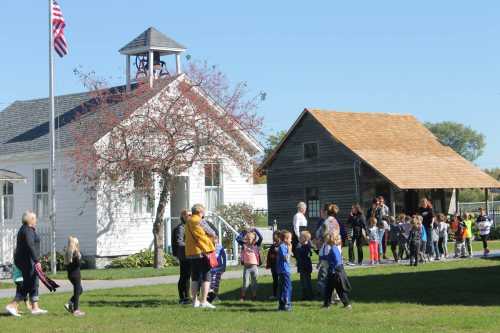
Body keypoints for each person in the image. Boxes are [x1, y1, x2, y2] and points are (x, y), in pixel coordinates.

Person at [5, 211, 47, 317]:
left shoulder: (26, 229)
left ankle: (35, 307)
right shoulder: (27, 230)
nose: (36, 220)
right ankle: (13, 305)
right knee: (28, 283)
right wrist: (37, 261)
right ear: (31, 220)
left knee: (34, 283)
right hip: (28, 261)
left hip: (27, 260)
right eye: (35, 218)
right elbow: (30, 245)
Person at [185, 203, 216, 309]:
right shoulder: (200, 220)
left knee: (194, 277)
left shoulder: (188, 221)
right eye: (203, 212)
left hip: (192, 252)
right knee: (206, 277)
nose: (204, 215)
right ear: (200, 212)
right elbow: (212, 232)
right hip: (203, 251)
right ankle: (203, 301)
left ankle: (194, 301)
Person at [323, 232, 352, 309]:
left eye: (326, 239)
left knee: (329, 289)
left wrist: (333, 269)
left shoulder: (333, 249)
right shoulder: (334, 248)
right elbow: (332, 258)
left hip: (334, 272)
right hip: (337, 272)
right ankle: (347, 304)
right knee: (338, 289)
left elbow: (336, 260)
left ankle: (327, 305)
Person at [172, 209, 191, 305]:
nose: (190, 217)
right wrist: (190, 245)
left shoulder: (189, 226)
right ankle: (182, 297)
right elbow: (179, 242)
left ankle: (187, 297)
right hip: (184, 255)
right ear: (183, 216)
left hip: (189, 254)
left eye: (190, 215)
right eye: (188, 215)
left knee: (188, 276)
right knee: (184, 276)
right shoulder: (181, 228)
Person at [63, 236, 85, 316]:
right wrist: (79, 257)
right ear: (75, 244)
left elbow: (67, 264)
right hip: (76, 275)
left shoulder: (68, 252)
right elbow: (78, 264)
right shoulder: (75, 253)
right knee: (77, 292)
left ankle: (70, 303)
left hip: (70, 274)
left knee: (80, 290)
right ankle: (76, 310)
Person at [238, 230, 262, 301]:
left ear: (253, 239)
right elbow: (238, 239)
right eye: (247, 238)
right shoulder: (244, 245)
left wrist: (255, 230)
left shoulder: (256, 245)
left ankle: (254, 296)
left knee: (254, 283)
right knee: (245, 283)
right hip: (246, 268)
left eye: (250, 238)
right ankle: (243, 296)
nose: (248, 240)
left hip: (254, 267)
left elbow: (261, 238)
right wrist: (244, 232)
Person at [277, 230, 293, 311]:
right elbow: (286, 258)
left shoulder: (284, 246)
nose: (291, 240)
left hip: (284, 270)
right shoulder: (282, 246)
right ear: (286, 239)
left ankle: (281, 305)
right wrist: (290, 250)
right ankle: (286, 304)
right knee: (287, 287)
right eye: (290, 238)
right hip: (284, 270)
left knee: (283, 287)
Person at [207, 236, 226, 303]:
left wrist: (224, 267)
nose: (214, 243)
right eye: (213, 242)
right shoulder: (208, 247)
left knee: (216, 284)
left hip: (218, 269)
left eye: (216, 241)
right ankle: (210, 297)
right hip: (210, 270)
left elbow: (224, 256)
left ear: (217, 240)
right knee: (211, 284)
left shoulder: (220, 247)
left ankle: (216, 296)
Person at [296, 231, 313, 300]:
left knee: (306, 282)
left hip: (305, 267)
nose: (299, 238)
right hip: (302, 266)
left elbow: (305, 255)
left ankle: (309, 295)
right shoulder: (302, 246)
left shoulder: (306, 247)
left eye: (301, 237)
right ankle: (304, 296)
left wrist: (298, 248)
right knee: (303, 282)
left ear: (305, 238)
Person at [266, 230, 281, 300]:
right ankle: (275, 295)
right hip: (274, 266)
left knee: (281, 280)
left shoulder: (282, 245)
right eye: (273, 235)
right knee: (275, 280)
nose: (273, 237)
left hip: (280, 266)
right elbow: (269, 256)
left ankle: (282, 294)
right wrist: (268, 264)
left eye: (274, 235)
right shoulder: (272, 246)